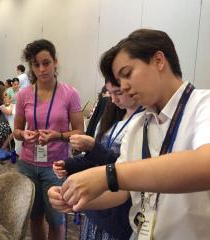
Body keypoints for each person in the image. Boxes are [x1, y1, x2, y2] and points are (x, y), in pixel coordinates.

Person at [48, 29, 210, 240]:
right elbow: (121, 191)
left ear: (158, 60)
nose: (123, 86)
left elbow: (205, 163)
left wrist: (108, 175)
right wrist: (75, 197)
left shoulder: (203, 105)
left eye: (127, 73)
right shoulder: (138, 126)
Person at [13, 39, 84, 240]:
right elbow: (17, 130)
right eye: (36, 65)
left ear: (55, 62)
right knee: (34, 217)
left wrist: (59, 136)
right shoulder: (24, 95)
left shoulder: (70, 94)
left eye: (46, 63)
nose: (42, 69)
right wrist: (23, 134)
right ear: (32, 67)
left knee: (56, 219)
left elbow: (79, 131)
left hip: (56, 166)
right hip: (27, 164)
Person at [54, 79, 142, 239]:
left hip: (116, 212)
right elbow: (94, 159)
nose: (112, 99)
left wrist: (94, 147)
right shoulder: (113, 113)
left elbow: (128, 171)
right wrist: (68, 164)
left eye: (117, 92)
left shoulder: (144, 121)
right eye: (110, 93)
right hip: (96, 209)